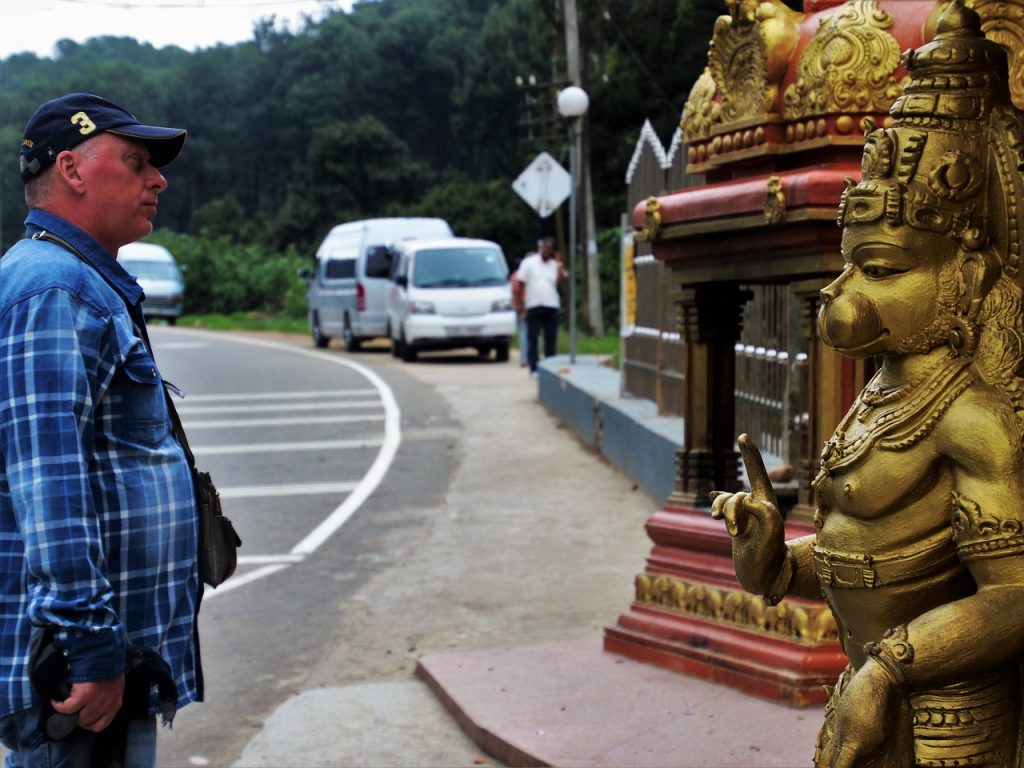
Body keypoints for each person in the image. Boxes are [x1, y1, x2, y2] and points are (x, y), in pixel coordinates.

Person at [712, 6, 1024, 767]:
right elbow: (878, 553)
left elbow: (1014, 598)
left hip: (948, 712)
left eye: (882, 270)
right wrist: (778, 560)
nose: (843, 290)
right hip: (869, 687)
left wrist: (890, 666)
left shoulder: (972, 418)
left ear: (968, 273)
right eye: (849, 265)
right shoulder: (884, 393)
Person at [0, 93, 200, 767]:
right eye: (137, 161)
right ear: (72, 170)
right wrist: (88, 645)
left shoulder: (79, 279)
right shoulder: (53, 289)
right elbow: (48, 483)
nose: (158, 179)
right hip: (78, 680)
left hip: (106, 665)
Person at [516, 237, 566, 377]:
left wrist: (560, 266)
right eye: (545, 247)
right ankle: (534, 368)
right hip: (534, 305)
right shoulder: (529, 263)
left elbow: (561, 281)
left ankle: (549, 367)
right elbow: (521, 283)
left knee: (551, 339)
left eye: (550, 248)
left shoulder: (554, 265)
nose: (547, 250)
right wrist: (520, 303)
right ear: (541, 248)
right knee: (533, 338)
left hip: (551, 305)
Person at [510, 255, 531, 367]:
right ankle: (527, 358)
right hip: (526, 306)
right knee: (528, 333)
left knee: (524, 332)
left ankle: (524, 358)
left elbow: (513, 292)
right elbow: (517, 291)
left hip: (520, 306)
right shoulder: (525, 275)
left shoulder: (515, 275)